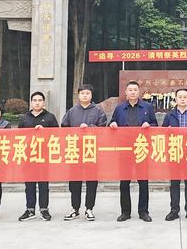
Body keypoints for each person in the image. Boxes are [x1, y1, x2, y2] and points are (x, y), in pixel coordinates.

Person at [110, 80, 158, 222]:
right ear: (126, 92)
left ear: (139, 92)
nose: (132, 92)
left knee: (143, 182)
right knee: (124, 182)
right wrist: (112, 124)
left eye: (135, 90)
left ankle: (143, 212)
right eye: (130, 90)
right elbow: (111, 123)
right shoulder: (119, 109)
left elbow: (155, 125)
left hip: (141, 149)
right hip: (124, 150)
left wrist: (149, 125)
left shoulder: (147, 107)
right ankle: (125, 212)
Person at [61, 84, 108, 222]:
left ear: (91, 95)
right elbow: (64, 128)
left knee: (91, 181)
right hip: (75, 151)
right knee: (74, 181)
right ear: (78, 95)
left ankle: (89, 208)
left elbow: (102, 129)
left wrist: (89, 128)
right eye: (82, 93)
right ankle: (75, 208)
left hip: (91, 151)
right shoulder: (72, 111)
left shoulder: (98, 111)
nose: (85, 95)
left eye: (87, 93)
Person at [17, 91, 59, 222]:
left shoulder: (50, 117)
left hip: (43, 156)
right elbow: (18, 137)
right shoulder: (25, 118)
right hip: (28, 156)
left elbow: (57, 135)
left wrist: (45, 131)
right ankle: (30, 209)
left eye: (40, 100)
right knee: (29, 184)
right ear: (31, 102)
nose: (37, 103)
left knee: (43, 184)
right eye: (34, 100)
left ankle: (44, 209)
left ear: (44, 102)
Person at [162, 88, 187, 222]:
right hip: (174, 153)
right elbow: (162, 133)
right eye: (180, 97)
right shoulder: (169, 115)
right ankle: (174, 210)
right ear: (176, 99)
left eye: (185, 97)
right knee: (174, 183)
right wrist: (167, 132)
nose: (182, 99)